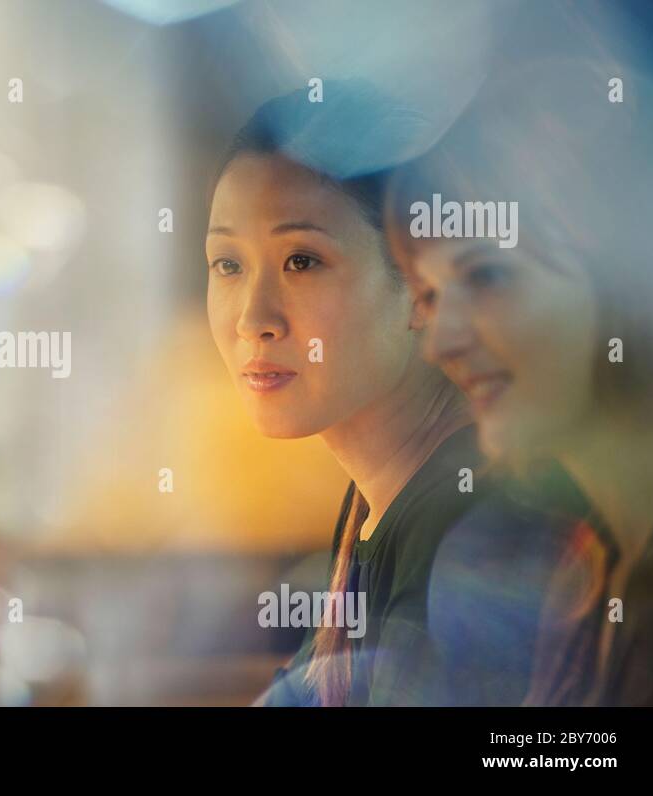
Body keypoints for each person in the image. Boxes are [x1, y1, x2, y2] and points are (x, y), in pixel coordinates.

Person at [207, 83, 568, 706]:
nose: (251, 318)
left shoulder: (465, 525)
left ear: (419, 283)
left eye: (301, 260)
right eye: (227, 264)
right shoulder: (380, 502)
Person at [385, 58, 653, 705]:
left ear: (630, 283)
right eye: (428, 294)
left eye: (487, 276)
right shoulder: (596, 572)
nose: (439, 342)